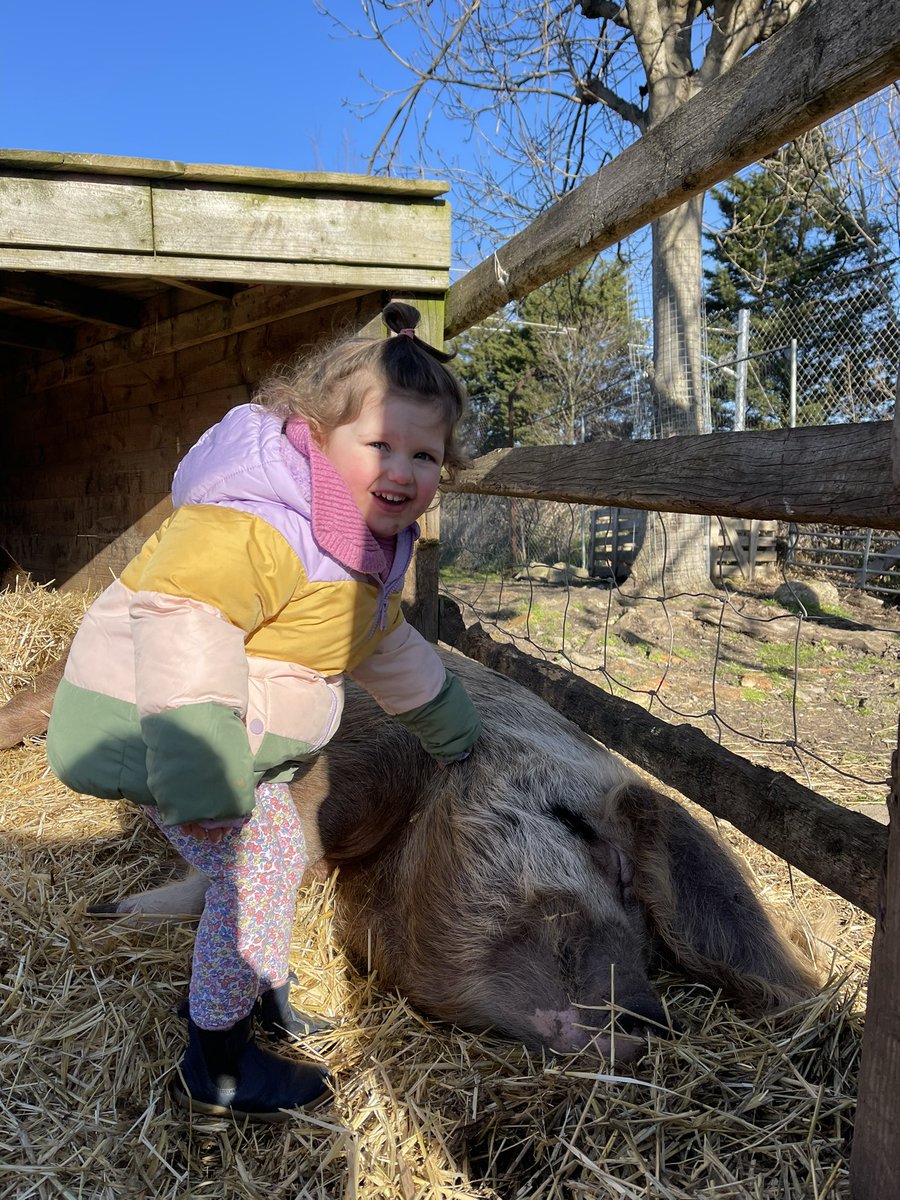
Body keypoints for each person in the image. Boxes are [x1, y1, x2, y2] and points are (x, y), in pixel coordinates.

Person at [46, 301, 482, 1122]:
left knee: (268, 862)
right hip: (157, 728)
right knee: (261, 865)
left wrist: (453, 731)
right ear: (316, 434)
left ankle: (249, 994)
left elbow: (381, 645)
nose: (402, 469)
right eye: (379, 444)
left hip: (237, 743)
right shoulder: (259, 523)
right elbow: (184, 622)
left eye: (424, 454)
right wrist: (202, 768)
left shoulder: (357, 544)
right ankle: (217, 1066)